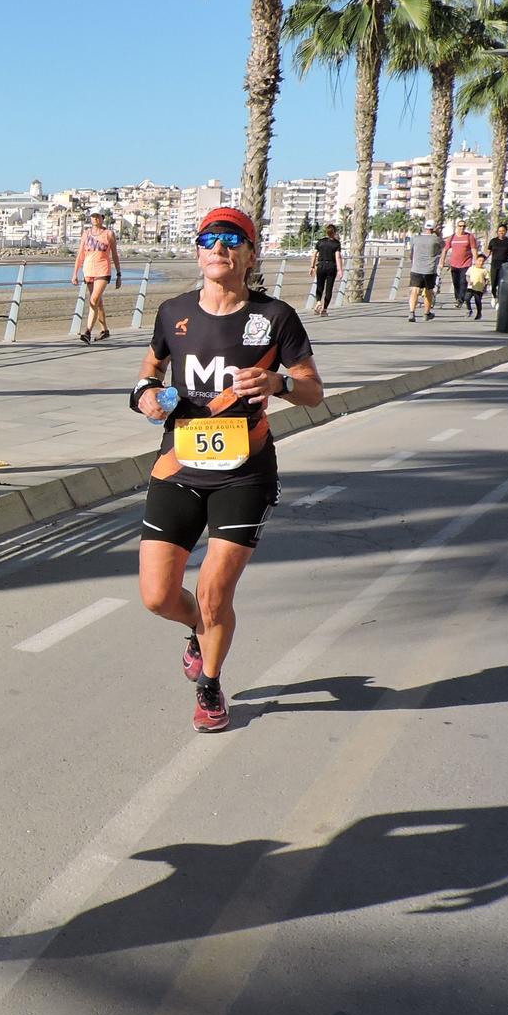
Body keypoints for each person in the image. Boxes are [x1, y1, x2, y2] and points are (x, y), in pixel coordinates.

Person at [131, 207, 325, 732]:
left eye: (232, 239)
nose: (219, 246)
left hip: (245, 472)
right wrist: (145, 398)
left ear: (250, 254)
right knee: (156, 596)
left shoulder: (276, 317)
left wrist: (279, 385)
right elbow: (148, 372)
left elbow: (313, 390)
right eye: (208, 238)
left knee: (216, 591)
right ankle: (197, 626)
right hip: (176, 467)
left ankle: (210, 685)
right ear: (197, 251)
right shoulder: (172, 312)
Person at [72, 210, 122, 343]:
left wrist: (118, 274)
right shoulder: (86, 234)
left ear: (102, 218)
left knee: (93, 300)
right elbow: (80, 254)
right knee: (98, 302)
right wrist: (75, 273)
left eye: (97, 217)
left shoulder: (108, 234)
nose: (95, 219)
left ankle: (87, 332)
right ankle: (104, 330)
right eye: (93, 217)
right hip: (88, 271)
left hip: (103, 270)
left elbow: (115, 255)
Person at [405, 220, 442, 321]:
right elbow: (442, 248)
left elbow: (411, 253)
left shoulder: (415, 238)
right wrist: (438, 234)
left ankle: (411, 312)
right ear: (434, 229)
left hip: (416, 268)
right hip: (430, 270)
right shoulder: (436, 239)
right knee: (428, 292)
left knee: (414, 291)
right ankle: (426, 313)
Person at [442, 220, 478, 307]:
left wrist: (476, 261)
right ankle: (458, 298)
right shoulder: (452, 237)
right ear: (457, 227)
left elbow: (474, 249)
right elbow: (445, 249)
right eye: (460, 226)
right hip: (454, 264)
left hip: (466, 263)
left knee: (463, 281)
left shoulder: (469, 236)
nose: (462, 228)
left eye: (464, 226)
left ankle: (460, 299)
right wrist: (441, 261)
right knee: (456, 282)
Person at [310, 223, 342, 315]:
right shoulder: (336, 243)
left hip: (321, 266)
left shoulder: (320, 242)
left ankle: (318, 302)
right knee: (329, 288)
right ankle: (324, 309)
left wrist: (312, 266)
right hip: (331, 266)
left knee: (319, 286)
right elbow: (337, 257)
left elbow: (314, 254)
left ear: (326, 232)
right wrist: (340, 270)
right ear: (334, 232)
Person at [487, 221, 508, 294]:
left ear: (506, 231)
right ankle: (494, 296)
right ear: (497, 232)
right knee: (493, 283)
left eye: (503, 231)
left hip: (504, 265)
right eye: (499, 231)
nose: (501, 232)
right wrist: (481, 260)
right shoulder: (493, 241)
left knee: (501, 282)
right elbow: (488, 252)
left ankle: (500, 298)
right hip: (494, 264)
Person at [464, 252, 491, 321]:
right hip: (471, 287)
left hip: (479, 289)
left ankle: (479, 313)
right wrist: (469, 281)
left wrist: (485, 287)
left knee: (478, 301)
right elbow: (467, 276)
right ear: (476, 260)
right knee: (467, 298)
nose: (481, 263)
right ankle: (469, 309)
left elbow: (487, 279)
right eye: (479, 261)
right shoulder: (471, 268)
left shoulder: (484, 270)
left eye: (483, 261)